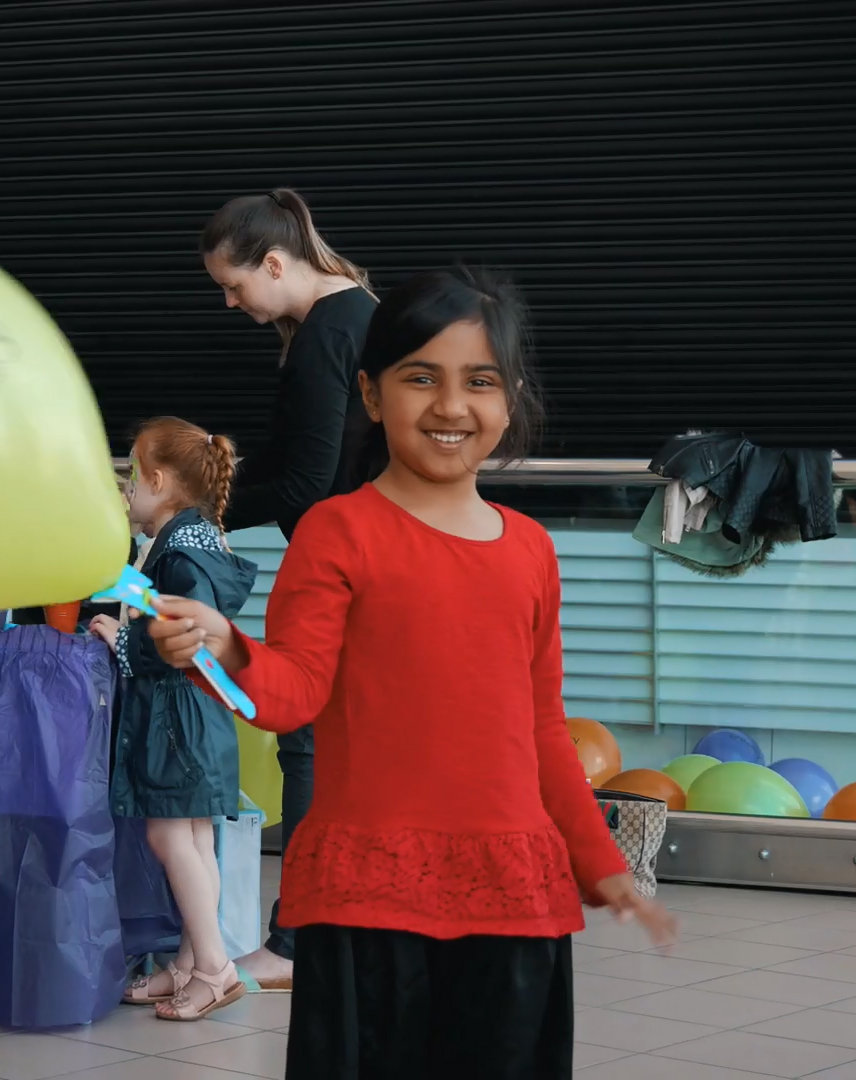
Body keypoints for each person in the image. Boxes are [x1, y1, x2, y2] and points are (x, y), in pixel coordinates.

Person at [148, 267, 678, 1078]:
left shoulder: (531, 549)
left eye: (479, 381)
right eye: (420, 377)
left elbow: (540, 728)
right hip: (368, 903)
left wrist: (600, 864)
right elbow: (291, 695)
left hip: (514, 897)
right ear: (369, 394)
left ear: (511, 398)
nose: (451, 405)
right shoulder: (336, 532)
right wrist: (224, 644)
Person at [198, 188, 376, 990]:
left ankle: (295, 942)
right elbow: (299, 459)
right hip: (367, 559)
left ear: (276, 263)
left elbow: (306, 481)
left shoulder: (323, 337)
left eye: (235, 287)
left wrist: (203, 518)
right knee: (340, 751)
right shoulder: (352, 316)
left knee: (306, 743)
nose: (231, 304)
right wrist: (212, 498)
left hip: (343, 569)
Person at [88, 418, 257, 1022]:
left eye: (132, 475)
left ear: (158, 481)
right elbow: (151, 597)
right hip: (196, 715)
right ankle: (190, 960)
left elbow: (185, 628)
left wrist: (124, 644)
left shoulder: (182, 550)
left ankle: (214, 966)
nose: (127, 488)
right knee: (195, 839)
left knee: (168, 835)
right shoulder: (195, 539)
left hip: (175, 719)